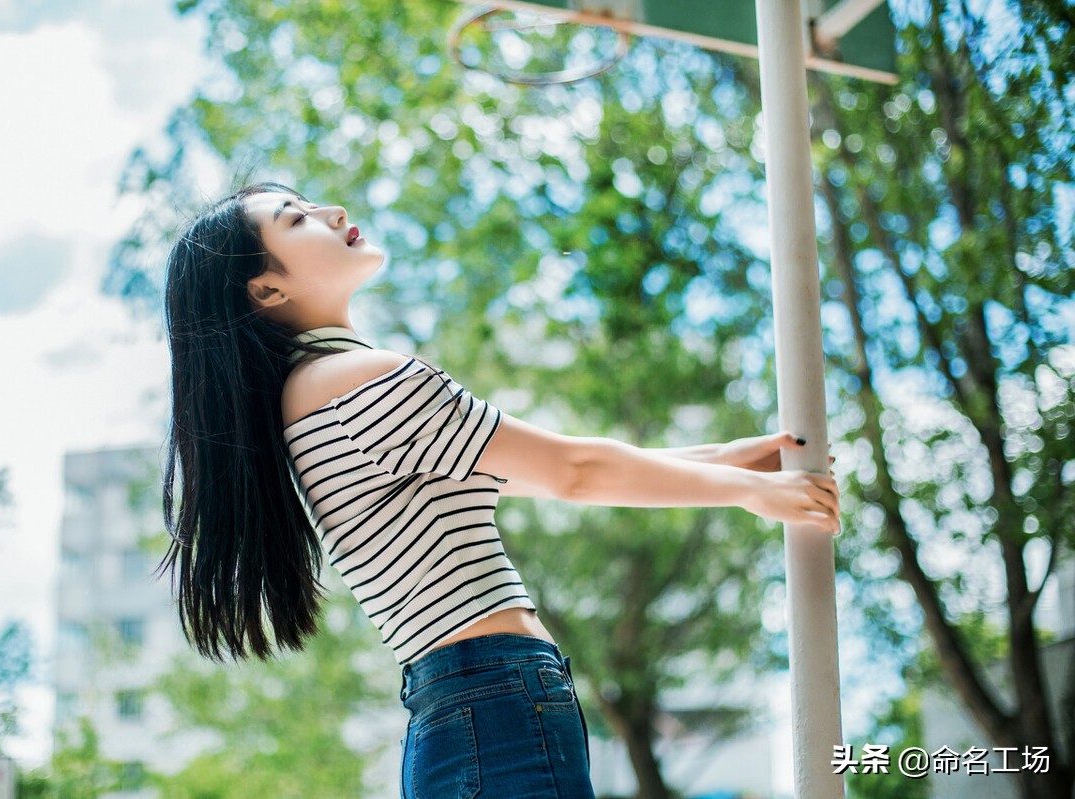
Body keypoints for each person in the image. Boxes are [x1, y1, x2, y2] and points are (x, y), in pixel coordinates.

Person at [158, 180, 842, 798]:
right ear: (267, 289)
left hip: (465, 708)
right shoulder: (359, 382)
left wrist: (722, 460)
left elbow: (544, 465)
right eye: (296, 218)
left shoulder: (311, 395)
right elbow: (572, 470)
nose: (332, 210)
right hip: (494, 702)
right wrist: (743, 491)